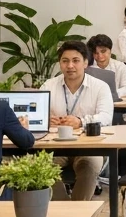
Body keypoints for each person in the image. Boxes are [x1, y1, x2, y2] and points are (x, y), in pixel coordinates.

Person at [40, 40, 115, 201]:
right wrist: (45, 120)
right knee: (41, 165)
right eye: (65, 61)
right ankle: (65, 210)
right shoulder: (49, 85)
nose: (70, 66)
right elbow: (37, 116)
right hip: (56, 146)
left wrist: (81, 121)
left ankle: (79, 214)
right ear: (59, 63)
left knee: (90, 165)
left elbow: (106, 117)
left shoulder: (100, 87)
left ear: (86, 63)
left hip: (89, 147)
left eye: (76, 61)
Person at [87, 33, 126, 99]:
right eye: (96, 53)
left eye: (103, 51)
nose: (100, 56)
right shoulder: (88, 68)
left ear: (110, 50)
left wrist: (109, 94)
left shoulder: (120, 66)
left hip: (117, 105)